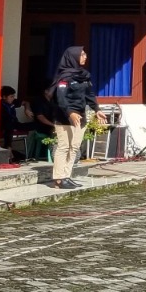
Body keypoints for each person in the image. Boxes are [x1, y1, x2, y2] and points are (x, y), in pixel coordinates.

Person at [50, 46, 96, 192]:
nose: (85, 56)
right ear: (73, 57)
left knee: (75, 147)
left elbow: (90, 95)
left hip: (80, 116)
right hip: (64, 117)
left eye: (85, 54)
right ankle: (58, 178)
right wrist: (70, 112)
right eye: (82, 54)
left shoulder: (84, 75)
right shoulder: (64, 77)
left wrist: (97, 109)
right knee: (64, 146)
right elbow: (60, 97)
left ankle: (66, 175)